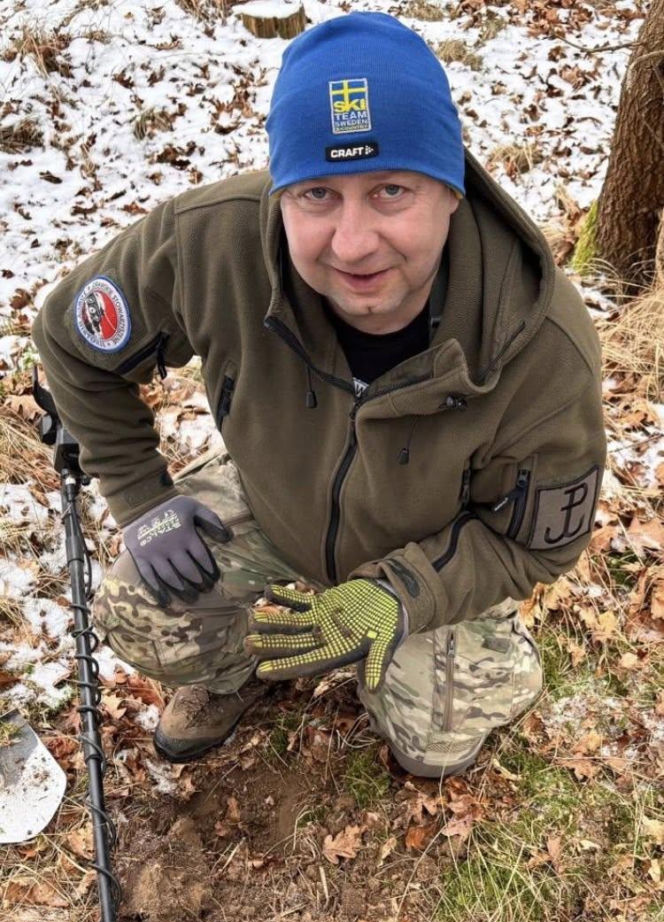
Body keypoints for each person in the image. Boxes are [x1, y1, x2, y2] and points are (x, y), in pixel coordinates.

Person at [32, 13, 606, 779]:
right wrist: (141, 498)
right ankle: (235, 673)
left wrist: (402, 594)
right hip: (276, 498)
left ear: (450, 189)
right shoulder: (212, 245)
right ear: (282, 194)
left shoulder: (538, 341)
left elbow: (538, 540)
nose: (353, 242)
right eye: (317, 195)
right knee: (142, 609)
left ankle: (431, 649)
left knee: (434, 737)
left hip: (429, 542)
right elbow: (70, 340)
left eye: (391, 190)